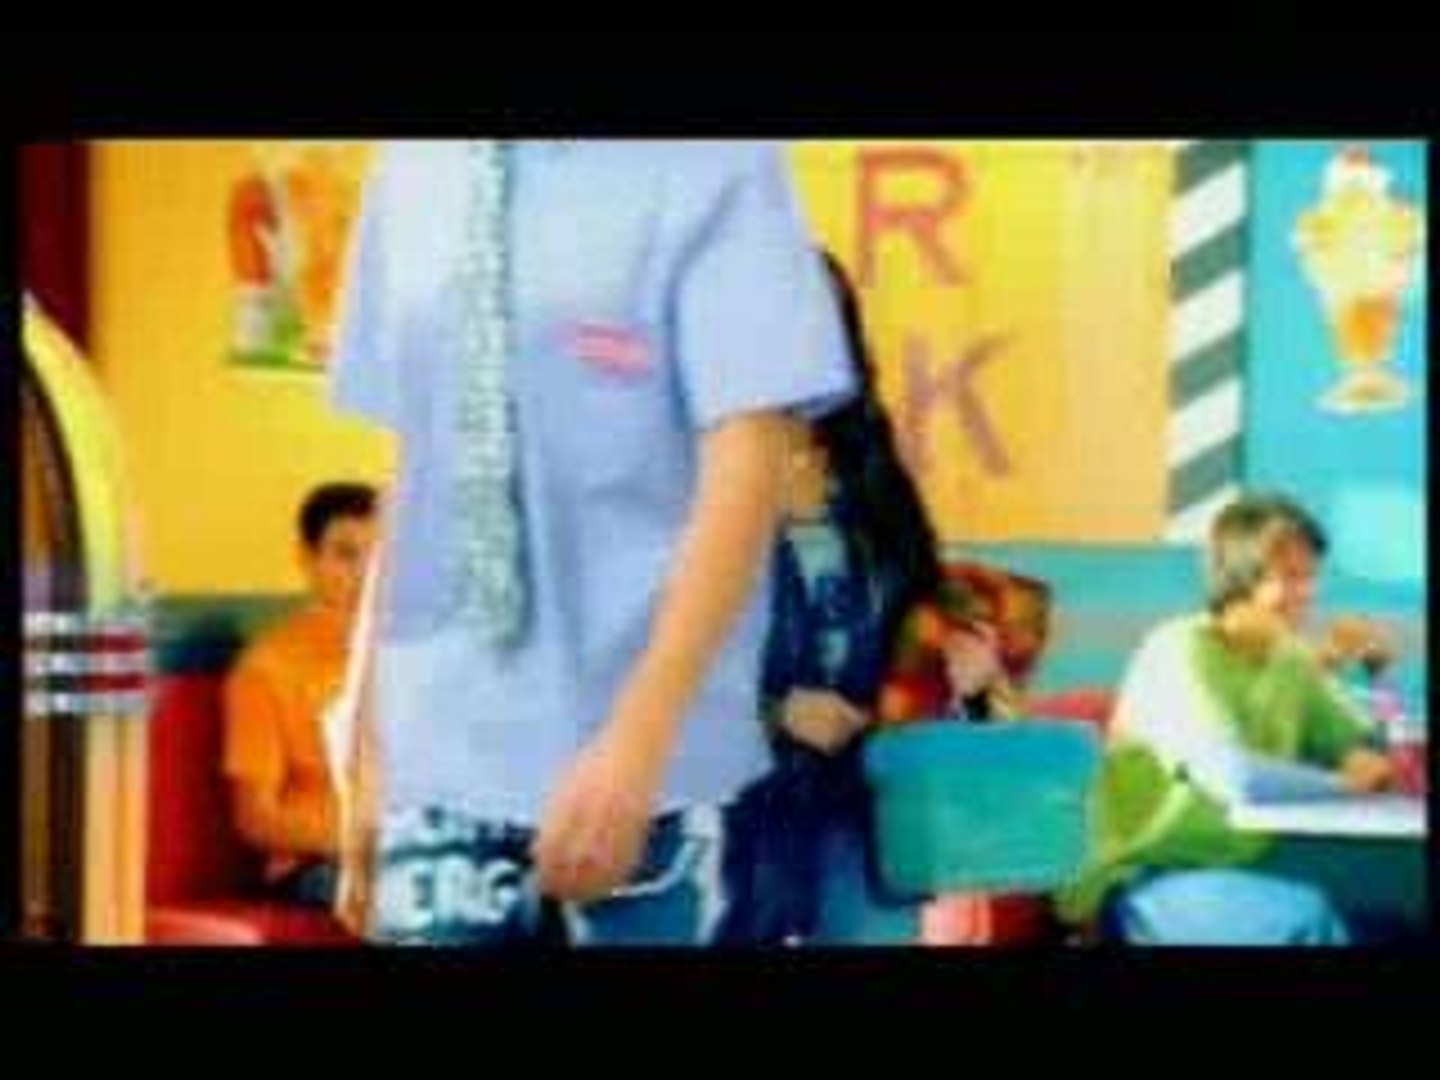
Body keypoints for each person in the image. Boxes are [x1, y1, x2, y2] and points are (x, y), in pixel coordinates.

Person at [326, 141, 856, 946]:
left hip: (654, 776)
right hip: (437, 763)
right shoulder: (409, 171)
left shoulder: (717, 165)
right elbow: (416, 468)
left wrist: (639, 742)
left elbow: (745, 463)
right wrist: (369, 750)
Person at [721, 251, 1011, 945]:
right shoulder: (691, 466)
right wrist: (773, 711)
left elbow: (926, 602)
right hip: (731, 813)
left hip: (868, 799)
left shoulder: (869, 467)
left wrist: (964, 651)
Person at [1055, 492, 1399, 946]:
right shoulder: (1176, 650)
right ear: (1237, 578)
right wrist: (1342, 784)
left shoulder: (1289, 660)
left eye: (1312, 576)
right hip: (1143, 875)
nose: (1308, 592)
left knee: (1396, 909)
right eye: (1290, 577)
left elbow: (1374, 750)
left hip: (1239, 865)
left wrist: (1376, 675)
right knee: (1306, 921)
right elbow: (1230, 775)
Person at [223, 481, 378, 907]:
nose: (365, 574)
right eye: (345, 554)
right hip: (317, 865)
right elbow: (255, 819)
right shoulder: (266, 669)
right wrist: (360, 838)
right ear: (307, 559)